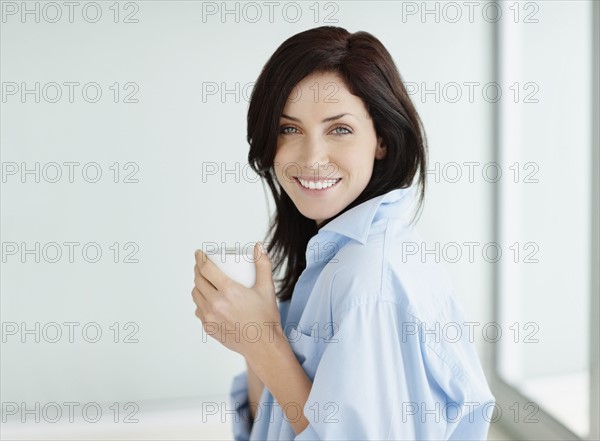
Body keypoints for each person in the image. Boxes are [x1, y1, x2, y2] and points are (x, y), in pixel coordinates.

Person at [192, 26, 495, 440]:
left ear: (382, 140)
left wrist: (264, 342)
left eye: (339, 129)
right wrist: (257, 339)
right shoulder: (335, 256)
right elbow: (275, 422)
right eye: (289, 129)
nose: (312, 157)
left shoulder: (369, 277)